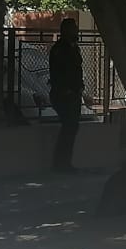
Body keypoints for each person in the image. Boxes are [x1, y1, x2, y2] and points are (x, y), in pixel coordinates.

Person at [48, 18, 84, 172]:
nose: (76, 31)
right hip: (63, 95)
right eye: (73, 28)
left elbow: (77, 70)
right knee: (68, 127)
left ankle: (64, 163)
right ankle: (60, 163)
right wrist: (66, 90)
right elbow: (58, 73)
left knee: (71, 128)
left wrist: (79, 87)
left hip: (74, 93)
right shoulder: (60, 49)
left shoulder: (73, 48)